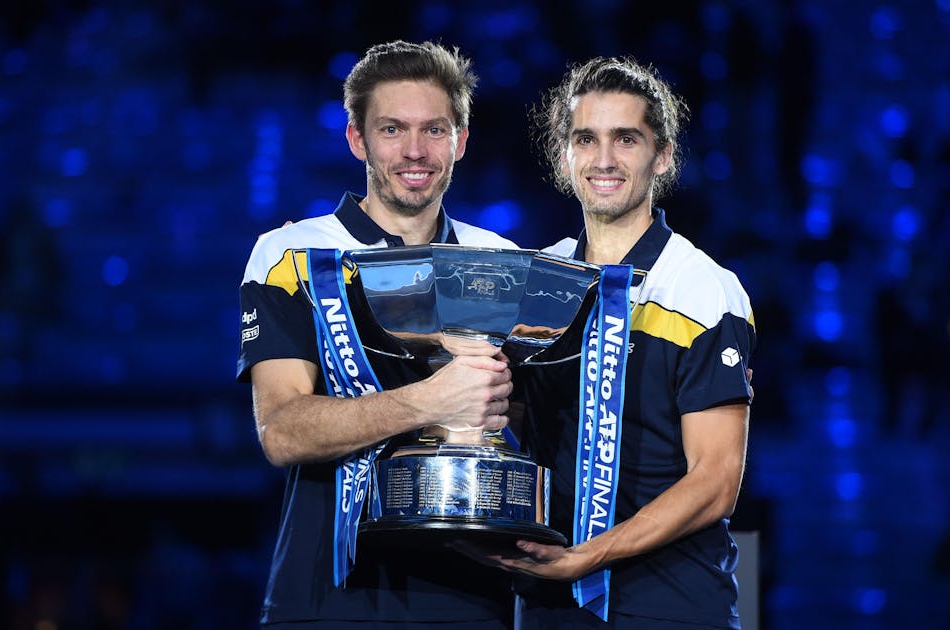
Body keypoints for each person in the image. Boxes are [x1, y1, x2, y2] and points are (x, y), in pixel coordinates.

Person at [456, 57, 756, 628]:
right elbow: (511, 421)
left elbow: (716, 481)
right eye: (585, 139)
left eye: (626, 139)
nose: (603, 160)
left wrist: (583, 559)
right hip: (548, 603)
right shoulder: (538, 281)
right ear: (564, 156)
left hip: (669, 606)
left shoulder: (701, 288)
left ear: (662, 155)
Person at [236, 40, 519, 628]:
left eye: (434, 130)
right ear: (357, 140)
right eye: (392, 129)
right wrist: (430, 400)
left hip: (473, 595)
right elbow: (282, 431)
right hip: (328, 594)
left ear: (461, 141)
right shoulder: (291, 254)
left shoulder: (502, 260)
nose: (415, 151)